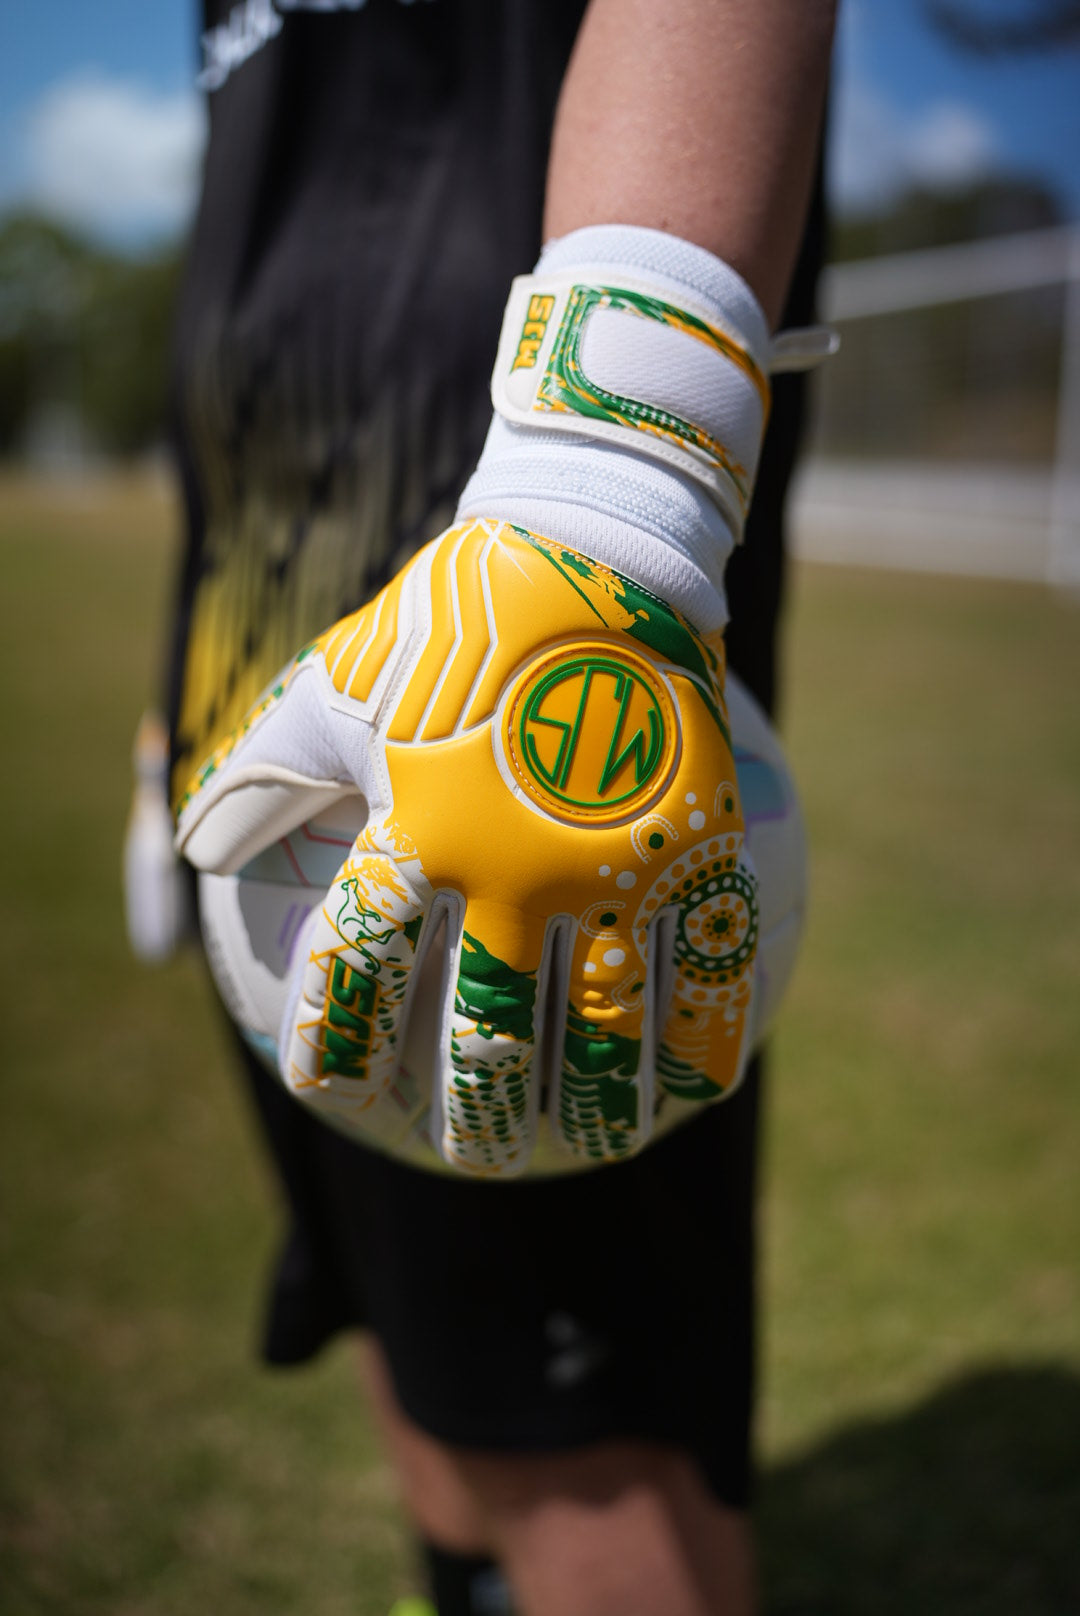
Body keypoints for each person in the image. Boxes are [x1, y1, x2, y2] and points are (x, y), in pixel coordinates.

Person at [160, 3, 836, 1610]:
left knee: (585, 1453)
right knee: (408, 1324)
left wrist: (606, 493)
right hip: (283, 687)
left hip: (522, 609)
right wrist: (185, 681)